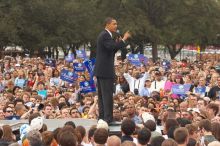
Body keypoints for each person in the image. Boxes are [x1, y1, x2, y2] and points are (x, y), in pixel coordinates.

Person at [94, 17, 131, 124]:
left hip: (102, 70)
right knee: (107, 95)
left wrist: (118, 43)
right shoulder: (105, 35)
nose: (116, 26)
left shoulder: (106, 35)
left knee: (102, 96)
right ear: (107, 25)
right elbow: (111, 48)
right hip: (105, 70)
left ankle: (102, 118)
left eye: (116, 24)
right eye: (114, 24)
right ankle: (108, 119)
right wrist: (124, 39)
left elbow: (112, 49)